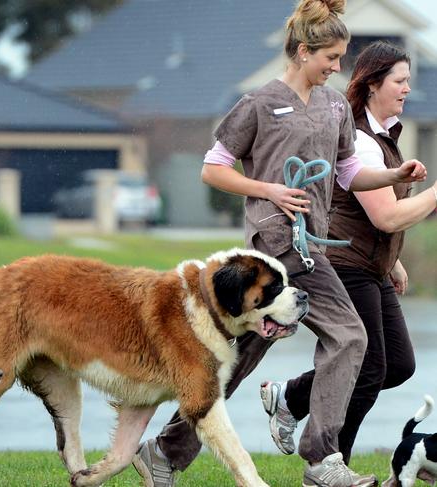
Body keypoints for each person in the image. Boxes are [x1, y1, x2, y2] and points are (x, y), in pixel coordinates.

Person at [131, 1, 427, 486]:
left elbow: (350, 173)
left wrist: (393, 174)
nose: (337, 67)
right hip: (269, 255)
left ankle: (314, 459)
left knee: (329, 341)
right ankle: (174, 454)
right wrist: (265, 188)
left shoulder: (334, 106)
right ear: (304, 50)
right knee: (256, 358)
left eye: (340, 57)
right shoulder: (258, 104)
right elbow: (214, 168)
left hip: (309, 252)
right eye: (330, 57)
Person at [259, 40, 437, 466]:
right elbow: (386, 218)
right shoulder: (359, 138)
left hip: (370, 267)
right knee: (370, 368)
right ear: (373, 85)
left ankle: (292, 395)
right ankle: (331, 462)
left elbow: (366, 213)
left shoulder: (383, 136)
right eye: (400, 81)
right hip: (343, 266)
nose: (408, 89)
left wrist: (388, 259)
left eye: (408, 81)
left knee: (398, 365)